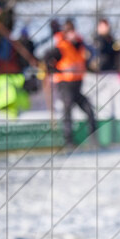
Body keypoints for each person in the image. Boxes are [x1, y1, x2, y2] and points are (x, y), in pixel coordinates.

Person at [51, 19, 98, 150]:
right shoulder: (60, 47)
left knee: (89, 110)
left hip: (77, 86)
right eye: (69, 31)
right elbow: (48, 60)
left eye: (73, 30)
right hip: (65, 84)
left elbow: (86, 60)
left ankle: (93, 140)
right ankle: (68, 141)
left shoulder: (79, 45)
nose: (72, 33)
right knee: (68, 112)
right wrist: (55, 70)